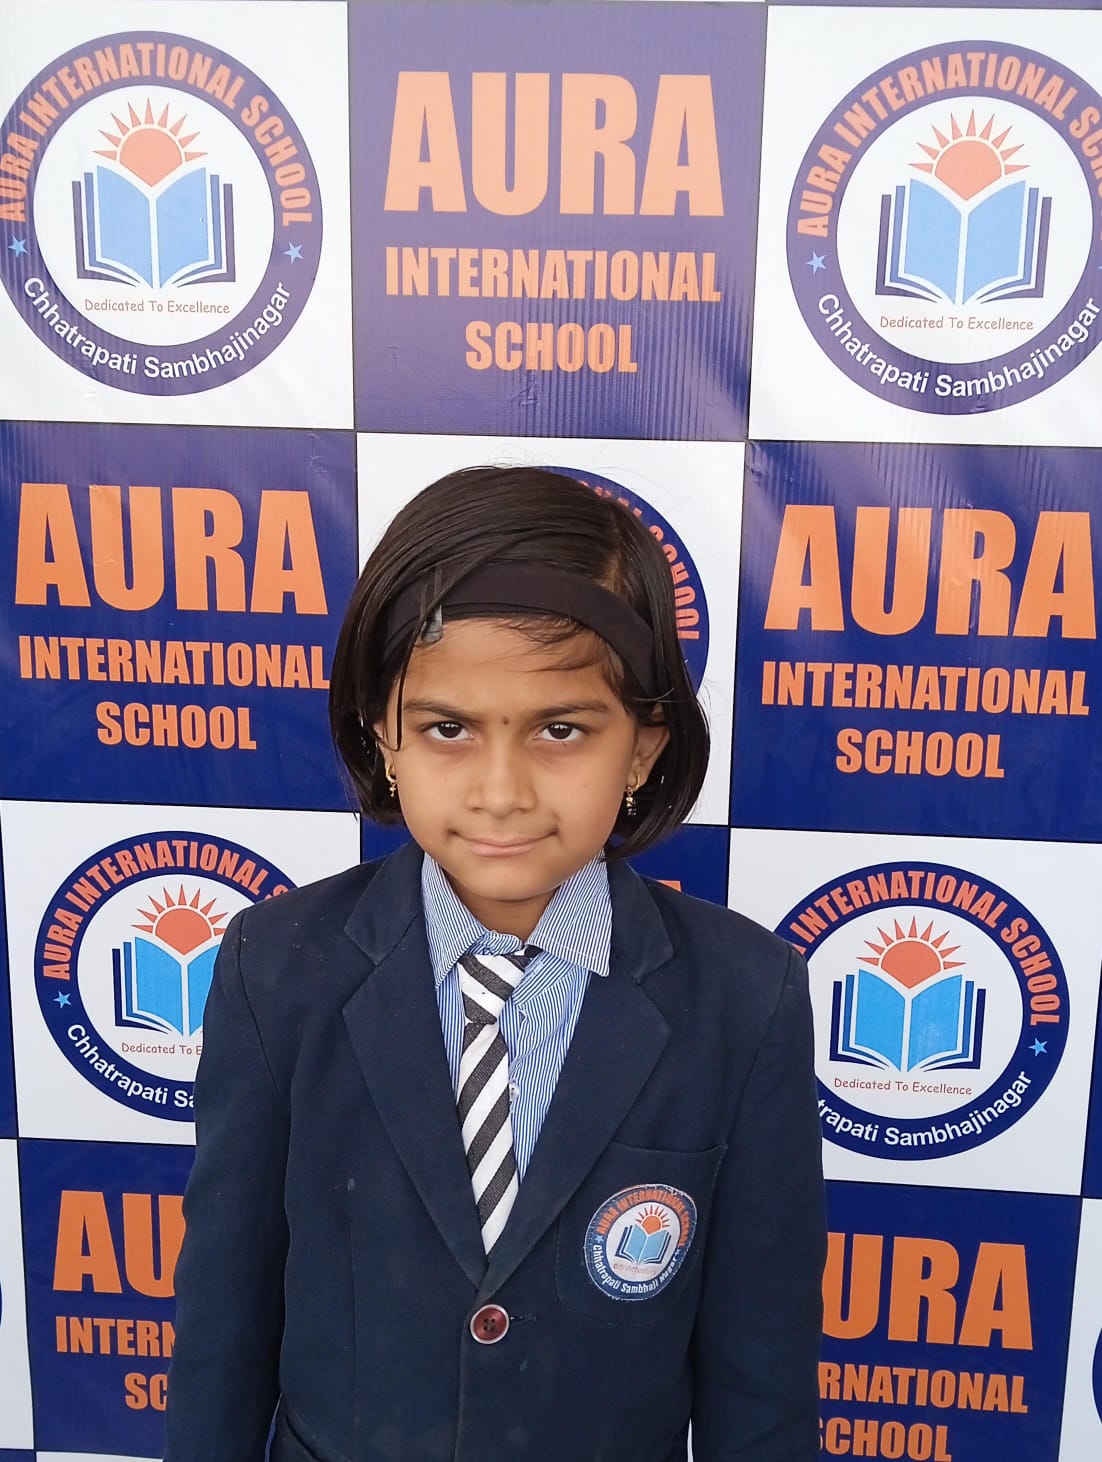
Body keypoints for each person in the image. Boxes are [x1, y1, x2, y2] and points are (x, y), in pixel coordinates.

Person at [165, 466, 826, 1462]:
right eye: (448, 730)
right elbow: (223, 1329)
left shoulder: (745, 996)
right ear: (383, 735)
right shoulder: (277, 969)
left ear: (643, 748)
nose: (501, 791)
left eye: (561, 730)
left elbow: (760, 1376)